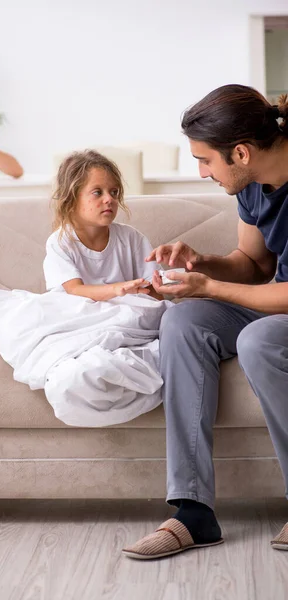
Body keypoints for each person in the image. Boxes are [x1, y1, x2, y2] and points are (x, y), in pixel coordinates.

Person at [123, 84, 288, 560]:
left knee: (259, 341)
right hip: (272, 301)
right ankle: (193, 511)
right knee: (184, 322)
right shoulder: (253, 183)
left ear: (240, 152)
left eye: (206, 160)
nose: (201, 172)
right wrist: (202, 265)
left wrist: (211, 288)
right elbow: (254, 267)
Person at [43, 149, 163, 301]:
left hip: (124, 313)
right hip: (79, 313)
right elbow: (74, 290)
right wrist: (117, 289)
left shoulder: (132, 238)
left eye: (114, 192)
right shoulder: (60, 243)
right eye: (97, 192)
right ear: (71, 198)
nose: (109, 199)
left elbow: (156, 293)